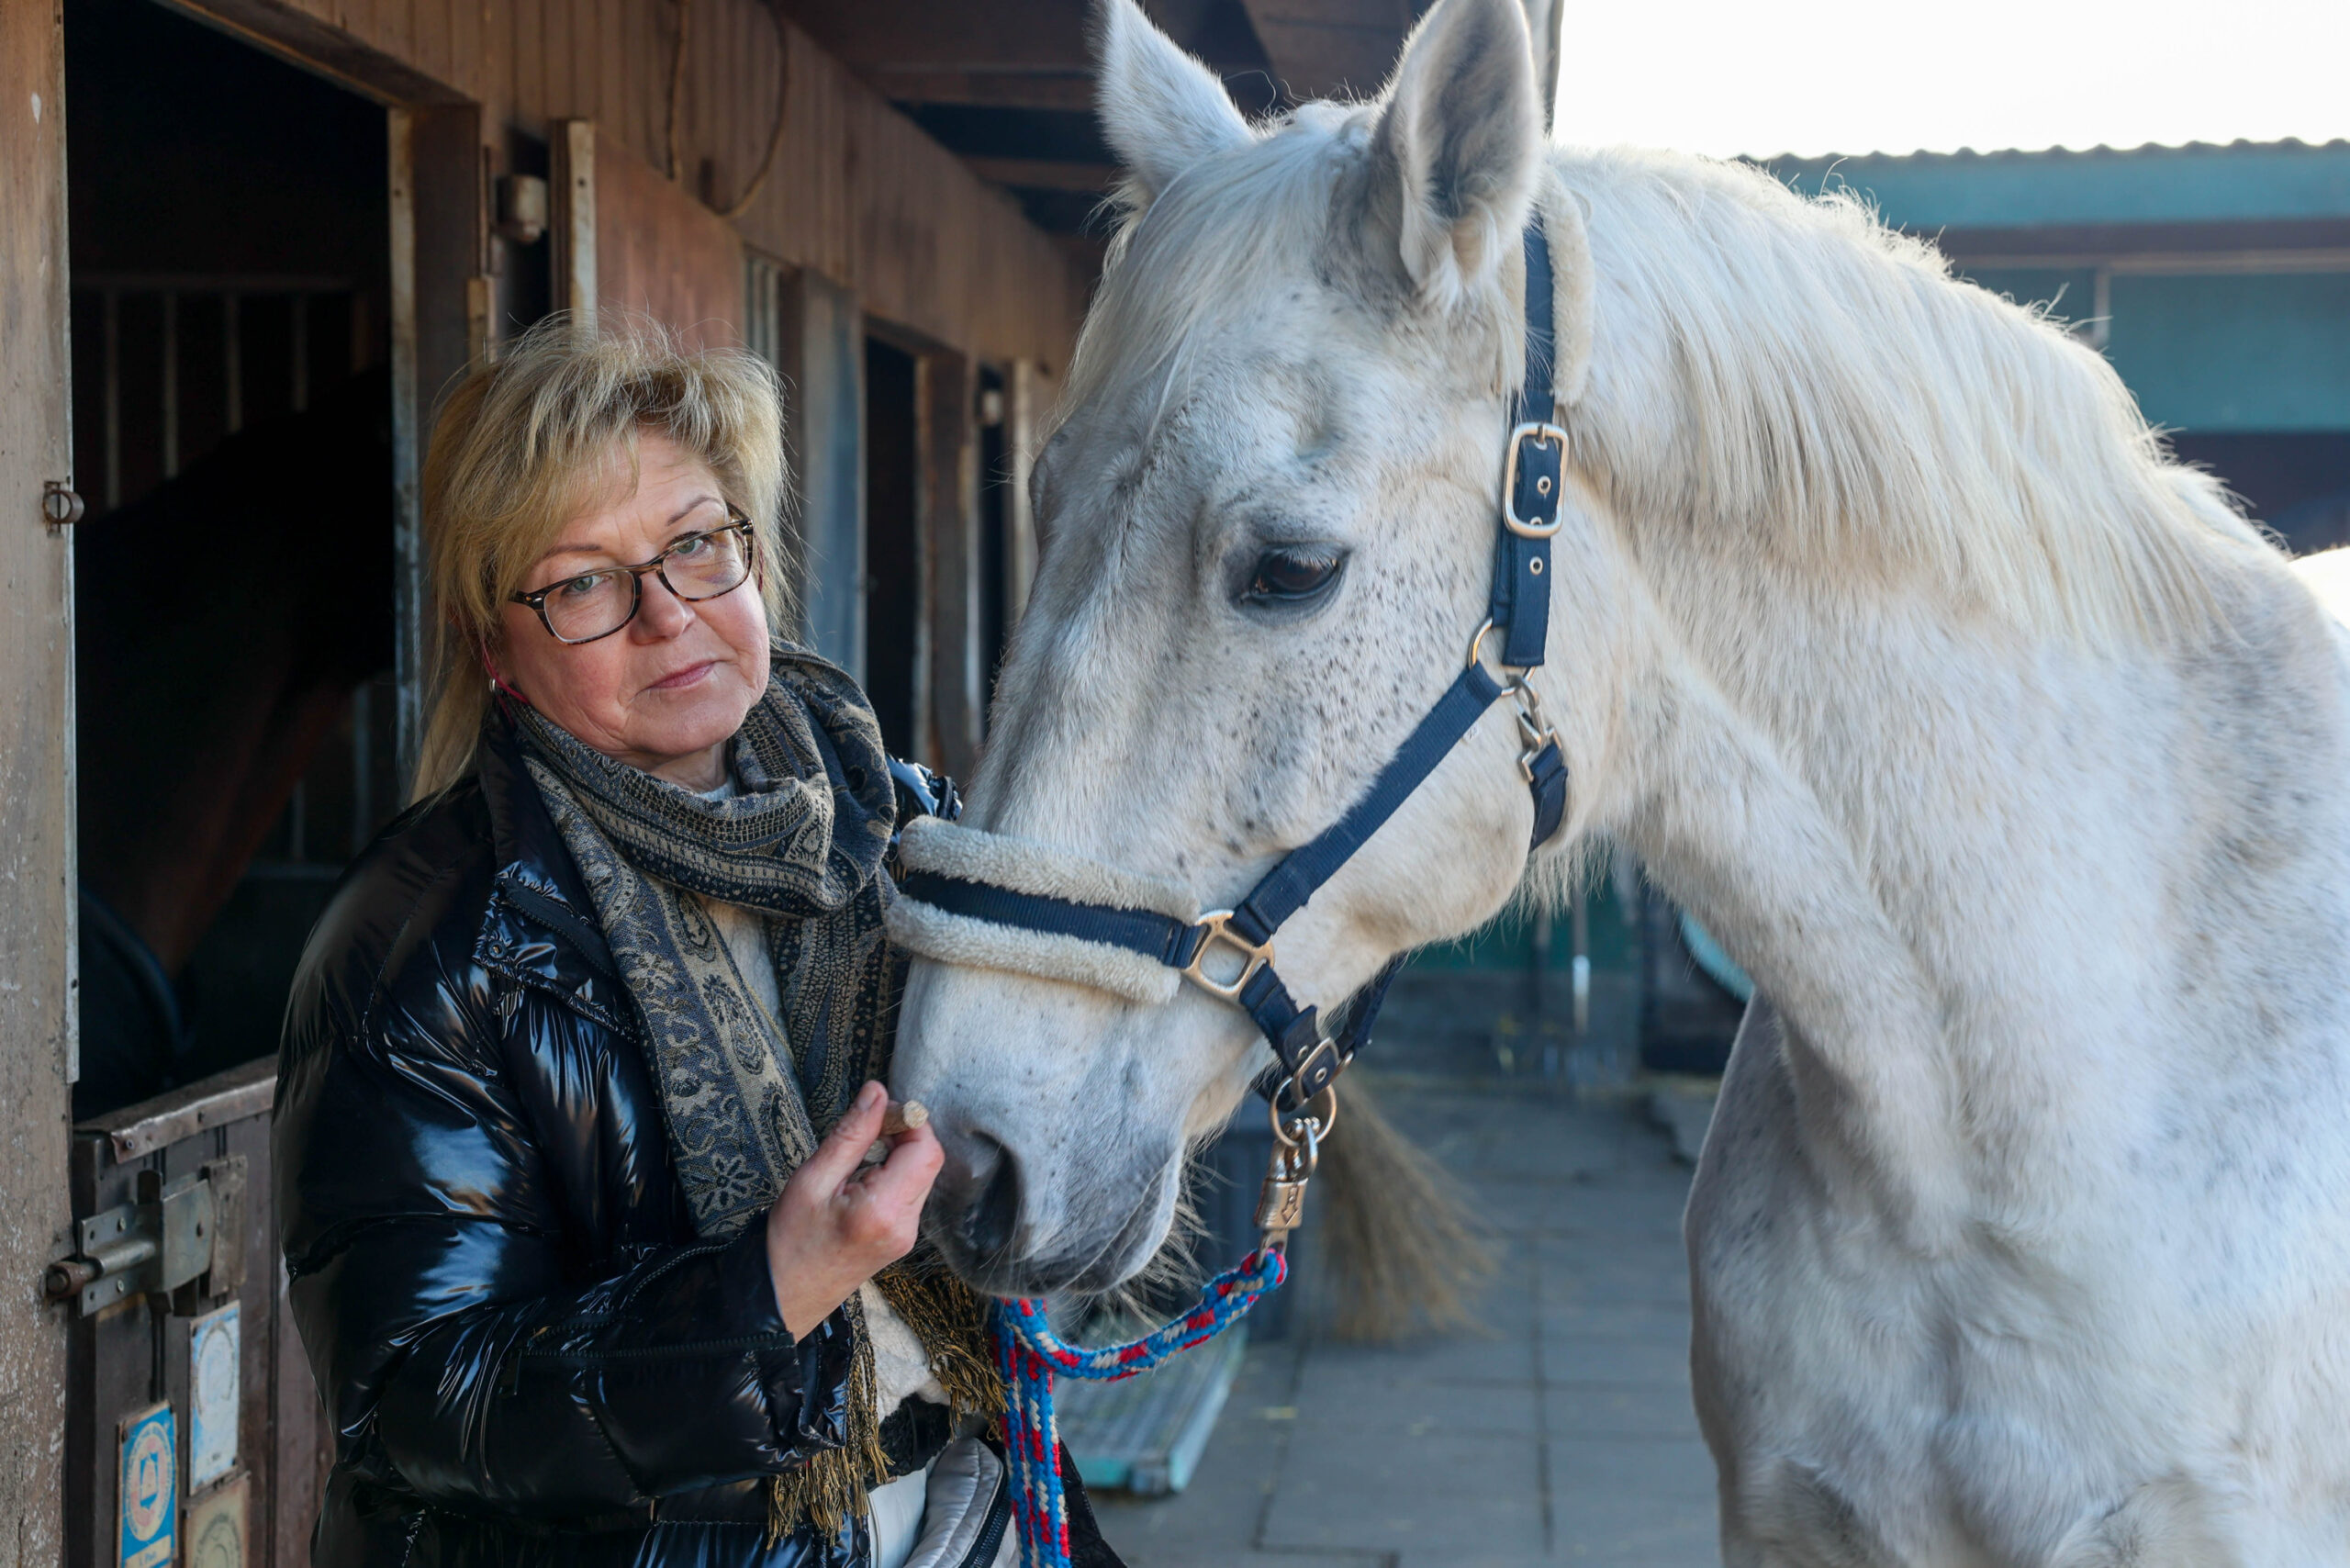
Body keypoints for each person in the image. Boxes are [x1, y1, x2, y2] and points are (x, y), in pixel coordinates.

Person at [274, 319, 1118, 1568]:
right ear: (496, 653)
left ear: (753, 558)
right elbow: (416, 1408)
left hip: (964, 1507)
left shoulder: (910, 831)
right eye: (583, 583)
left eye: (694, 546)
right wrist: (767, 1292)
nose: (666, 616)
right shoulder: (422, 947)